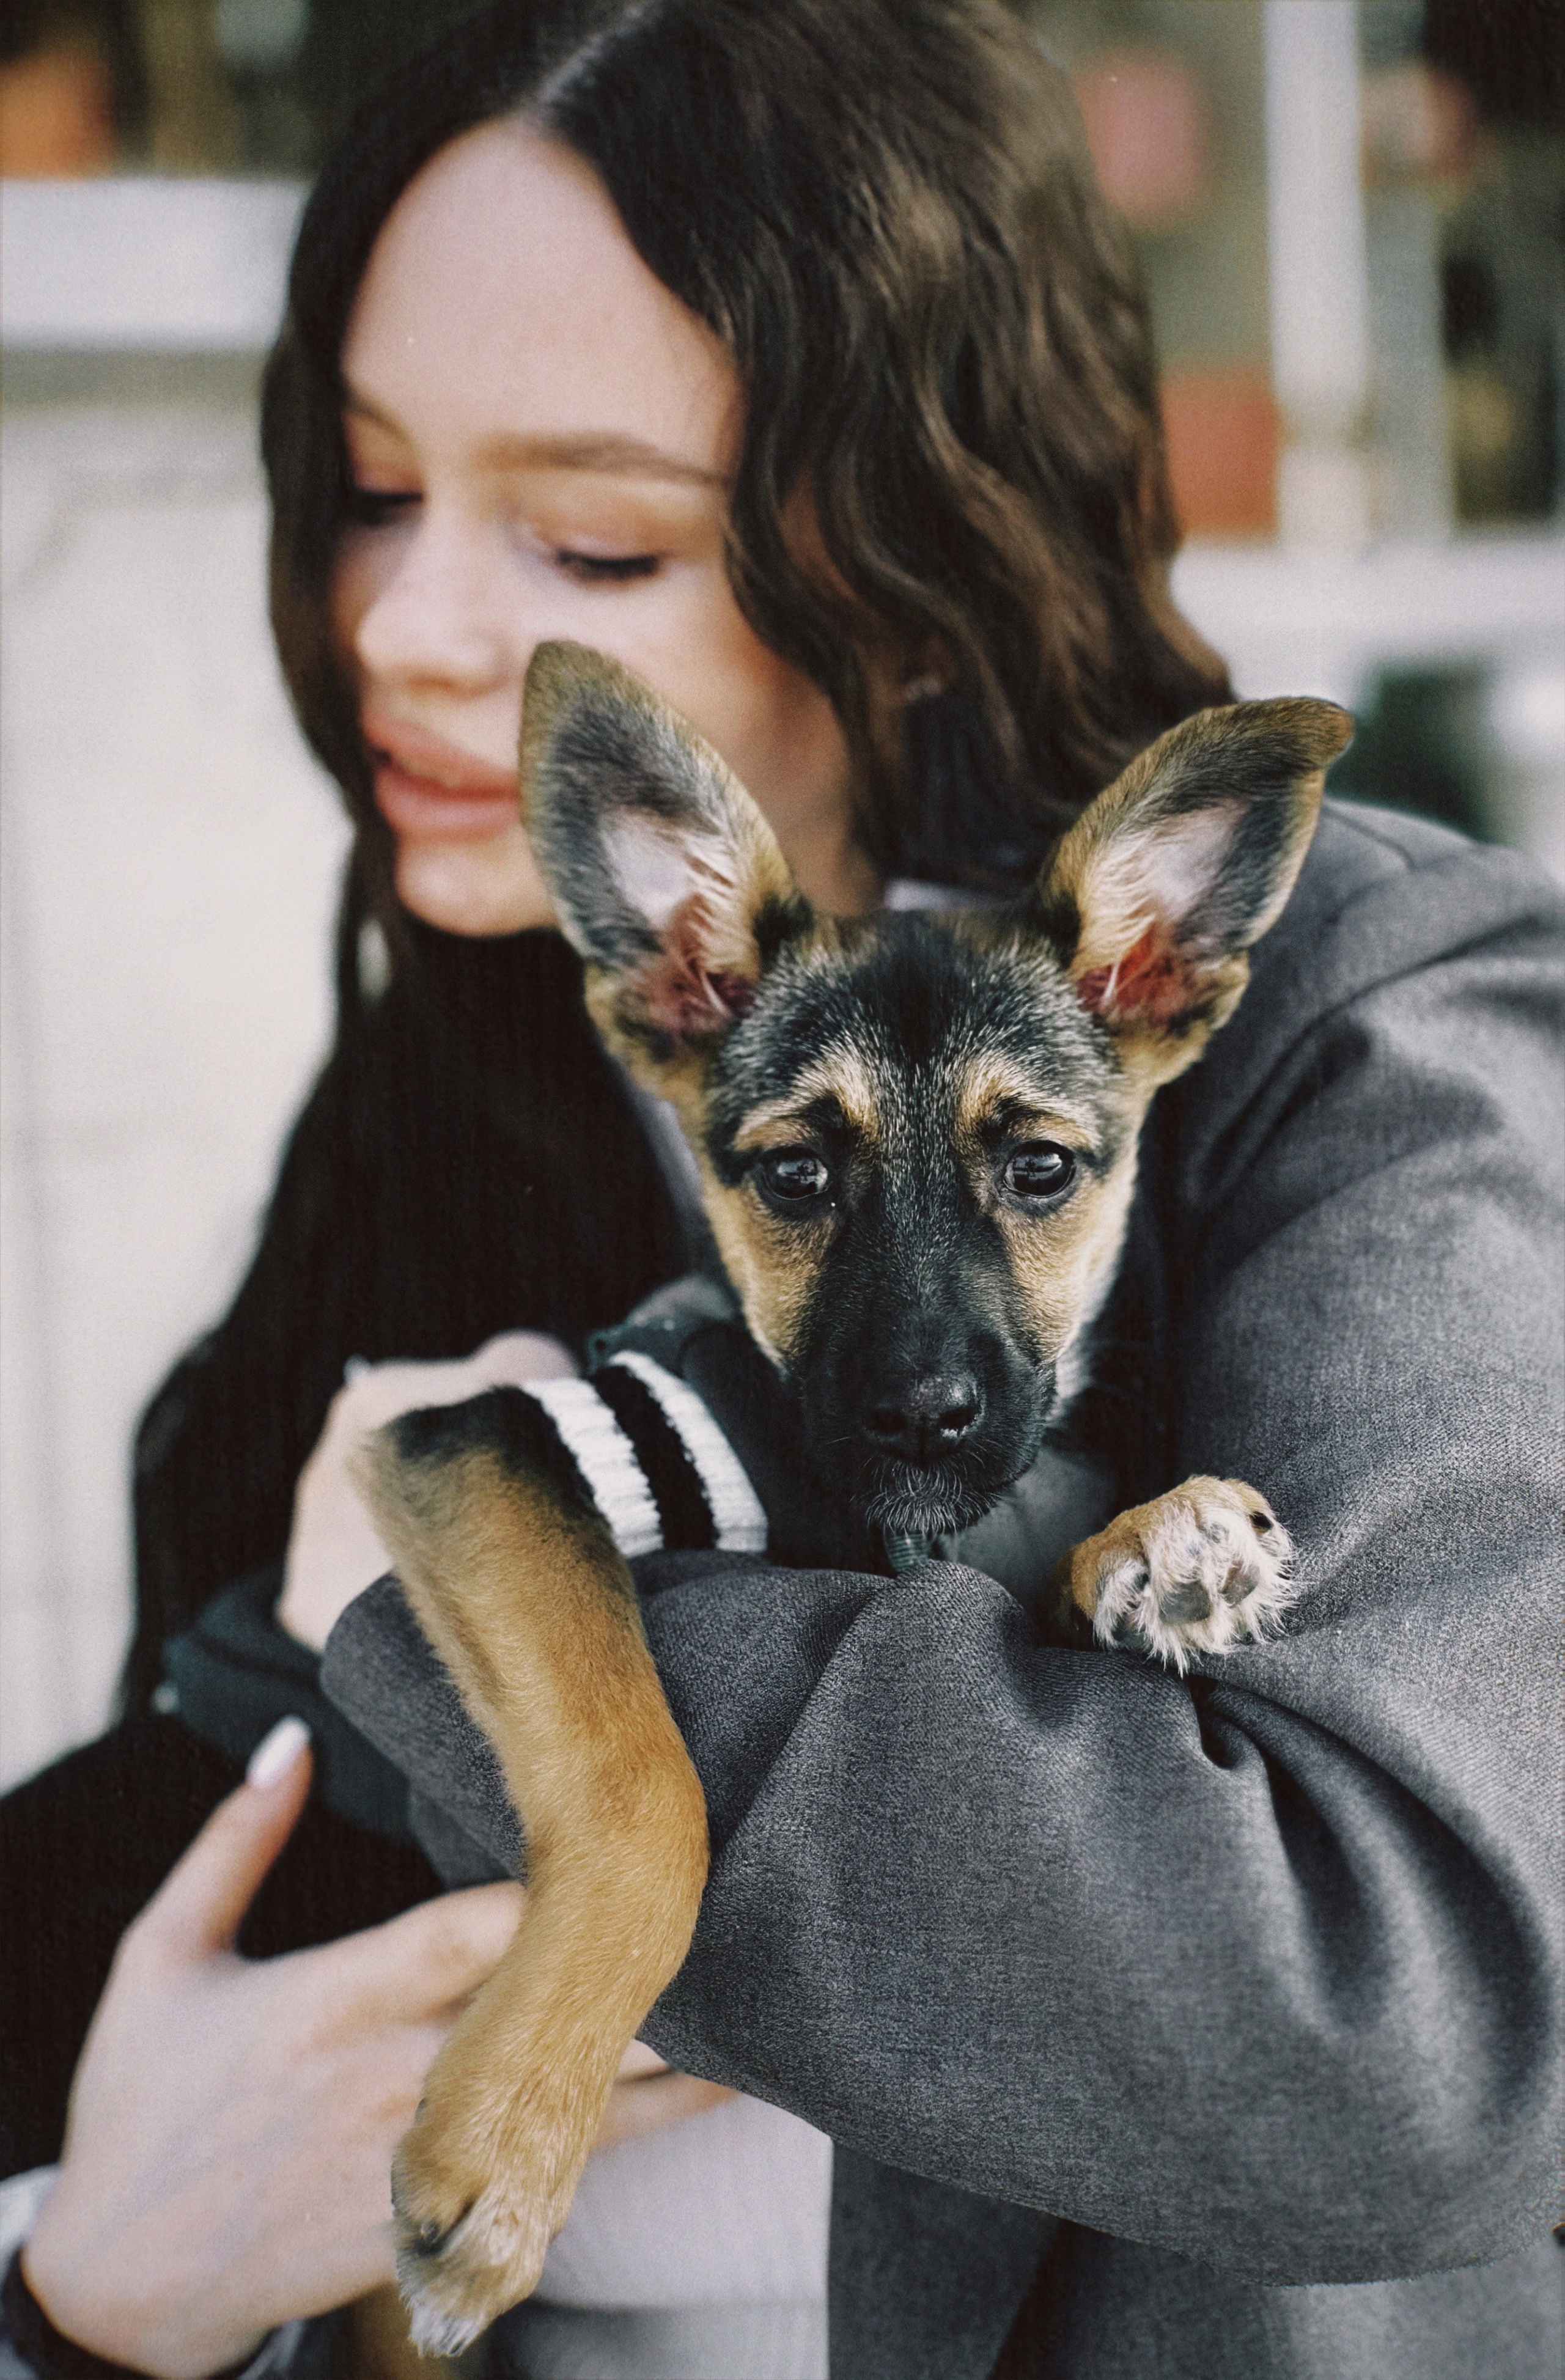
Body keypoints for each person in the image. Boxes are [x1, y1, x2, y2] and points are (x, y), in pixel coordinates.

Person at [2, 3, 1559, 2375]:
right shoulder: (494, 1069)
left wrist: (483, 1586)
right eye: (365, 485)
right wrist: (102, 2292)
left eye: (591, 533)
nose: (410, 631)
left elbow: (1394, 2024)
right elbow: (168, 1918)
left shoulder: (1358, 1028)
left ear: (916, 543)